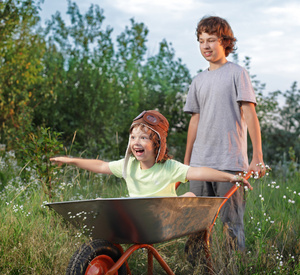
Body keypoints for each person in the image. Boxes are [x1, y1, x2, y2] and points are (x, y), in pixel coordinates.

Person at [183, 16, 265, 258]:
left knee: (232, 225)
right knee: (196, 225)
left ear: (225, 42)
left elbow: (250, 115)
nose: (206, 46)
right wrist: (186, 163)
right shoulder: (198, 80)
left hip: (230, 162)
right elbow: (194, 120)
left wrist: (257, 156)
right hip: (199, 165)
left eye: (211, 40)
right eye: (201, 41)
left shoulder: (237, 74)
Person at [50, 110, 251, 198]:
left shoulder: (170, 168)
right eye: (133, 137)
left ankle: (187, 202)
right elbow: (101, 166)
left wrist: (231, 176)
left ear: (157, 145)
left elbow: (200, 173)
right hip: (140, 221)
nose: (137, 142)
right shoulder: (128, 166)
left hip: (164, 220)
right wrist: (70, 160)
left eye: (144, 138)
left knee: (189, 195)